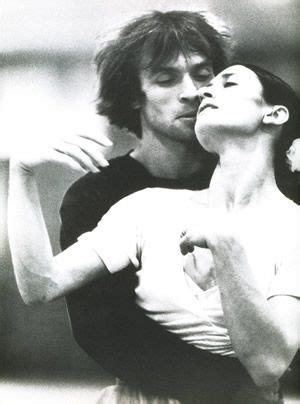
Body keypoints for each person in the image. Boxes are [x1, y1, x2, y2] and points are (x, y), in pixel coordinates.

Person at [8, 63, 300, 403]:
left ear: (275, 114)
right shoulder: (147, 206)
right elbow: (41, 285)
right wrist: (22, 173)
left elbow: (269, 364)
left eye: (228, 83)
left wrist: (226, 247)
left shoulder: (294, 227)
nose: (203, 92)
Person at [59, 9, 228, 397]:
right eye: (167, 79)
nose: (194, 91)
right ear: (133, 96)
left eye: (204, 74)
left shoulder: (257, 179)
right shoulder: (96, 194)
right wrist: (226, 386)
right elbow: (102, 331)